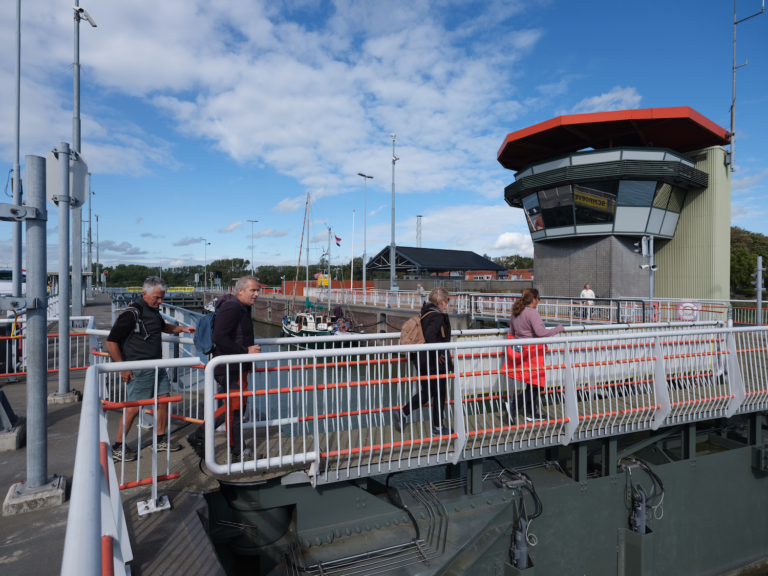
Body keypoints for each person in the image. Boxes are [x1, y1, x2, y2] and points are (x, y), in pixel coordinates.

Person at [106, 276, 196, 462]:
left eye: (162, 297)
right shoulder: (132, 313)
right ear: (144, 294)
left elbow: (163, 327)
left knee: (164, 400)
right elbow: (111, 341)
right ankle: (118, 446)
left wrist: (181, 329)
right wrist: (123, 367)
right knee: (133, 408)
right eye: (156, 297)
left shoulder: (154, 311)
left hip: (158, 365)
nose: (160, 301)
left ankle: (160, 439)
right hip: (139, 367)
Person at [189, 276, 261, 462]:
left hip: (236, 366)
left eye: (257, 290)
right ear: (240, 291)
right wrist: (245, 351)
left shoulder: (241, 307)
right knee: (235, 407)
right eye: (253, 290)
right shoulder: (233, 307)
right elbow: (219, 337)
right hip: (230, 367)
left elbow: (236, 335)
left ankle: (237, 448)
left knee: (237, 407)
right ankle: (203, 435)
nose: (257, 294)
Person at [394, 287, 454, 436]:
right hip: (435, 362)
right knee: (439, 393)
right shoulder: (438, 316)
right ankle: (438, 427)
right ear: (442, 300)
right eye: (447, 300)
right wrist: (439, 352)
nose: (447, 303)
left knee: (428, 392)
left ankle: (404, 412)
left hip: (422, 359)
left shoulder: (425, 313)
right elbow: (430, 335)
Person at [504, 288, 564, 422]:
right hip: (533, 353)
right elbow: (541, 332)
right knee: (537, 384)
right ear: (533, 299)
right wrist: (557, 329)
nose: (538, 301)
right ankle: (514, 405)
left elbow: (511, 332)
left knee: (532, 383)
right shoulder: (532, 313)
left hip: (521, 352)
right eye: (538, 299)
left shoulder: (516, 312)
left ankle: (531, 413)